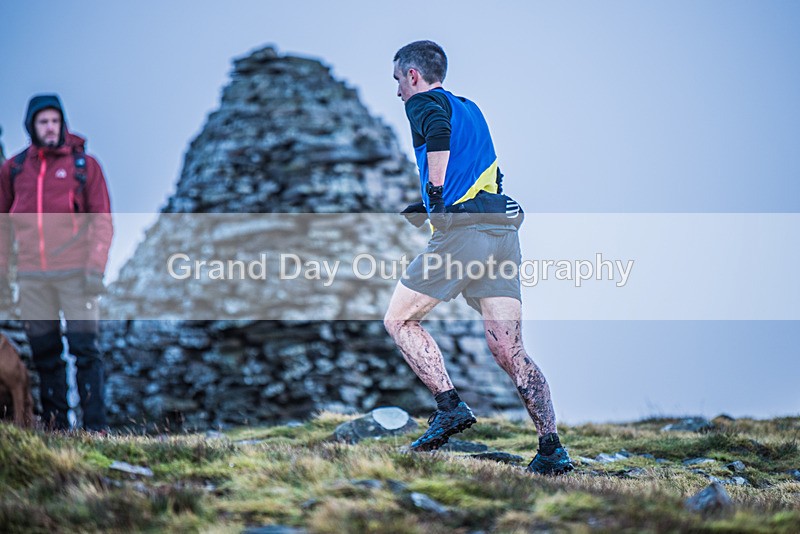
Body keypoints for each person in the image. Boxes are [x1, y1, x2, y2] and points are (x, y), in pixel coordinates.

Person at [384, 41, 573, 475]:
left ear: (413, 75)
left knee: (398, 320)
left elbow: (437, 135)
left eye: (397, 80)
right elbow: (490, 174)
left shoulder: (424, 102)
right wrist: (429, 208)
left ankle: (449, 406)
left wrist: (434, 196)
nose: (397, 91)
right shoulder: (472, 108)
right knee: (510, 350)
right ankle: (551, 449)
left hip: (464, 237)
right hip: (502, 237)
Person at [0, 94, 113, 431]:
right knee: (46, 354)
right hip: (34, 278)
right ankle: (56, 428)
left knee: (85, 351)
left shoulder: (85, 167)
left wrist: (95, 269)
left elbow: (102, 220)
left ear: (63, 124)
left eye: (54, 121)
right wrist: (4, 275)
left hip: (78, 276)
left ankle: (95, 429)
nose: (50, 127)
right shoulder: (14, 170)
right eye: (42, 121)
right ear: (31, 127)